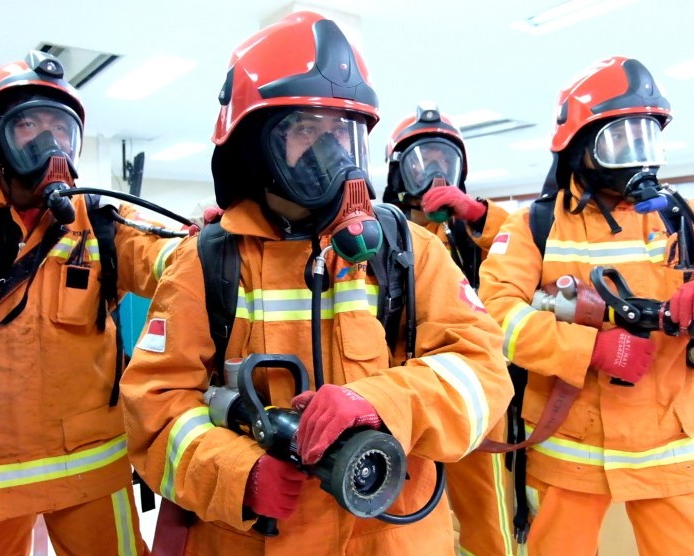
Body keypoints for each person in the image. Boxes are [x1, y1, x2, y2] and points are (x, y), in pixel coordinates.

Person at [120, 11, 513, 555]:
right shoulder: (206, 262)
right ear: (254, 141)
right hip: (255, 537)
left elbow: (485, 374)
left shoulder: (407, 251)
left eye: (343, 131)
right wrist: (239, 475)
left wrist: (380, 402)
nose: (333, 152)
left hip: (392, 532)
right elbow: (153, 408)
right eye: (306, 128)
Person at [477, 55, 694, 555]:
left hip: (677, 452)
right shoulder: (533, 228)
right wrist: (588, 349)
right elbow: (495, 315)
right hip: (572, 449)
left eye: (647, 137)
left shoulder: (693, 219)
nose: (638, 155)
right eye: (620, 139)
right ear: (580, 146)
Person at [0, 50, 180, 555]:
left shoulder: (100, 220)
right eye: (30, 127)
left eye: (61, 129)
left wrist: (211, 245)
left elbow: (169, 261)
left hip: (86, 464)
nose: (51, 144)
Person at [383, 103, 514, 555]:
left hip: (473, 399)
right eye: (423, 163)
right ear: (399, 174)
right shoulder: (378, 234)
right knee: (406, 510)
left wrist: (476, 215)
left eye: (446, 162)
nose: (436, 175)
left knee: (486, 508)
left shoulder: (474, 233)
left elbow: (528, 247)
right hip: (407, 395)